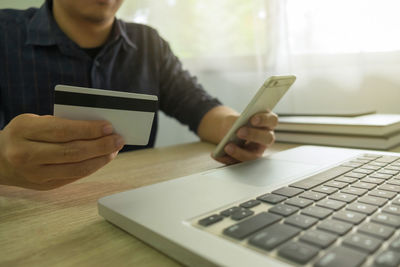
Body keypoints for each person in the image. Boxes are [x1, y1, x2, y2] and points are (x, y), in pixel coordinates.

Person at [0, 0, 278, 190]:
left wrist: (236, 128)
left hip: (131, 201)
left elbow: (198, 104)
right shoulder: (5, 32)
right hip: (32, 211)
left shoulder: (149, 43)